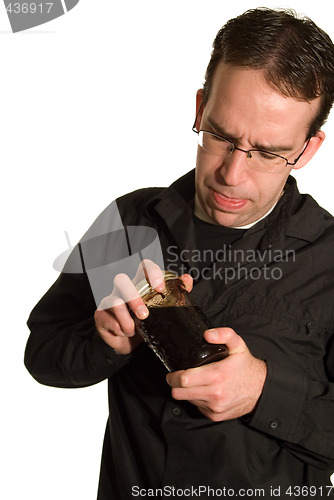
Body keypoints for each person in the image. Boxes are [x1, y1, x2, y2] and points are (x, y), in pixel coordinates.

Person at [25, 8, 334, 499]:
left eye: (268, 152)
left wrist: (261, 392)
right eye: (221, 136)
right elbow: (42, 354)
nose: (232, 174)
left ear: (307, 149)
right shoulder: (131, 220)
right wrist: (105, 342)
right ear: (199, 108)